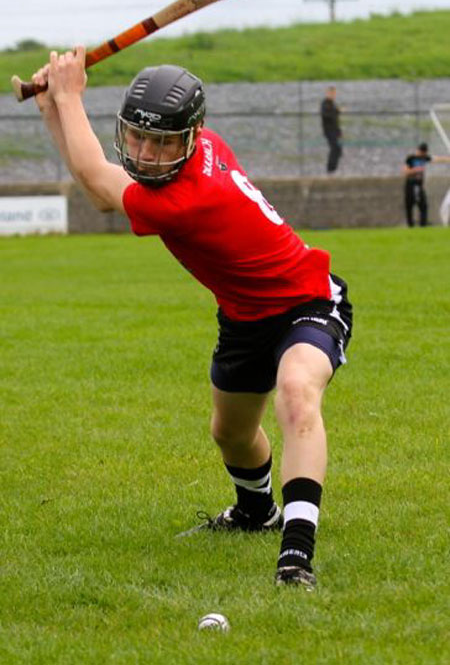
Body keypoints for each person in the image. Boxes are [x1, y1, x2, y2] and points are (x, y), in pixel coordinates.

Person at [32, 48, 353, 590]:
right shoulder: (200, 145)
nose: (148, 153)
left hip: (308, 302)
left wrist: (69, 96)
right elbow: (102, 184)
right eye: (138, 137)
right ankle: (255, 513)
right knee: (230, 433)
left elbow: (95, 181)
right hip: (244, 318)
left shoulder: (184, 198)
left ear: (189, 136)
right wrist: (54, 109)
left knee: (297, 393)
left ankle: (296, 555)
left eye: (162, 142)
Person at [403, 142, 450, 227]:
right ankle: (410, 225)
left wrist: (448, 159)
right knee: (409, 205)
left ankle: (423, 225)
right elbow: (405, 172)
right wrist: (416, 170)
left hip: (419, 185)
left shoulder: (424, 158)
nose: (423, 154)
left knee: (423, 205)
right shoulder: (411, 158)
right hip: (410, 185)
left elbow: (438, 159)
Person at [320, 85, 343, 173]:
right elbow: (326, 115)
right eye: (331, 93)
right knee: (335, 148)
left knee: (338, 149)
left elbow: (335, 119)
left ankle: (333, 169)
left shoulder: (332, 103)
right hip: (329, 130)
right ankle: (330, 169)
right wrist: (336, 111)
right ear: (327, 93)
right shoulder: (325, 103)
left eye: (334, 93)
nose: (333, 95)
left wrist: (339, 131)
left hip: (334, 130)